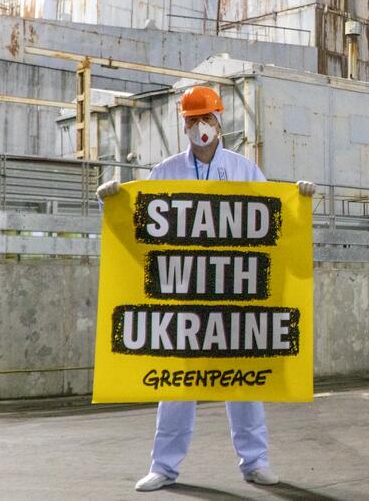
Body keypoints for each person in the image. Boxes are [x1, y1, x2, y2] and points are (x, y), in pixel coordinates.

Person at [97, 85, 316, 491]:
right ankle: (164, 467)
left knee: (243, 382)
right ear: (184, 125)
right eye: (194, 120)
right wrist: (111, 202)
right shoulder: (165, 172)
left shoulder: (244, 170)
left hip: (234, 292)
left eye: (208, 119)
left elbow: (273, 223)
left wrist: (300, 203)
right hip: (183, 297)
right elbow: (140, 225)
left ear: (220, 122)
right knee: (176, 387)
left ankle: (255, 462)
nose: (201, 127)